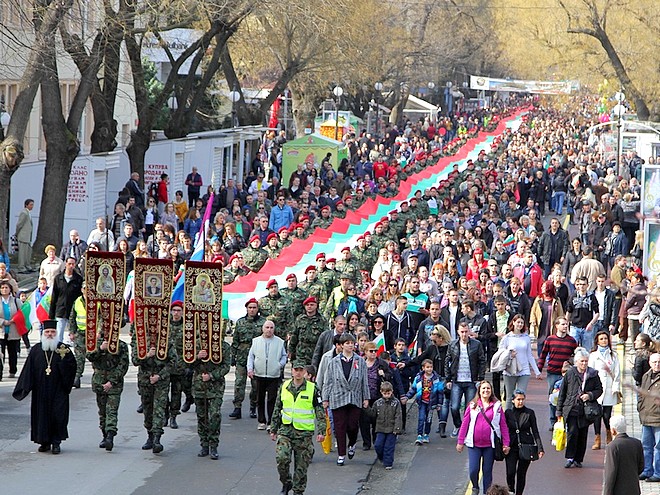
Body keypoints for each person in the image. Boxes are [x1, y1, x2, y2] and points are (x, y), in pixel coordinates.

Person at [12, 319, 77, 454]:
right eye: (47, 332)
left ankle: (56, 442)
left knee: (57, 416)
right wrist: (24, 388)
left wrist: (62, 368)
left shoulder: (63, 349)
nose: (49, 334)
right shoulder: (36, 350)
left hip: (58, 390)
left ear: (56, 333)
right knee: (41, 416)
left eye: (52, 332)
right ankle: (44, 442)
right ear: (43, 333)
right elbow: (28, 370)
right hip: (40, 390)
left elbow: (72, 368)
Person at [270, 360, 326, 495]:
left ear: (305, 372)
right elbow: (278, 407)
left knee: (301, 467)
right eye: (296, 370)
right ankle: (286, 482)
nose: (298, 373)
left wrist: (322, 430)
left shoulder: (312, 388)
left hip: (304, 433)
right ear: (292, 371)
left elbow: (319, 410)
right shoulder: (284, 386)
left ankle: (298, 491)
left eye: (301, 370)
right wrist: (273, 428)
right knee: (282, 458)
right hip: (286, 430)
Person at [133, 304, 177, 454]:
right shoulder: (141, 341)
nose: (155, 327)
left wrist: (160, 375)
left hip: (161, 381)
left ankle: (158, 438)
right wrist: (146, 355)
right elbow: (134, 360)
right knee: (148, 409)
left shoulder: (166, 341)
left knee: (159, 408)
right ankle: (150, 435)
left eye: (158, 324)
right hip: (145, 380)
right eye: (152, 324)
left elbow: (173, 362)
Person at [321, 333, 370, 466]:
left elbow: (364, 381)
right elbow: (328, 381)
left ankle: (352, 444)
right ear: (341, 345)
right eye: (347, 343)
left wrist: (366, 397)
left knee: (352, 425)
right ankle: (341, 454)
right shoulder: (334, 362)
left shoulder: (360, 361)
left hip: (354, 397)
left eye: (351, 343)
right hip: (337, 397)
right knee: (339, 427)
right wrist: (325, 398)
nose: (350, 345)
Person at [456, 380, 510, 495]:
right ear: (479, 391)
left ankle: (487, 492)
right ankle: (475, 486)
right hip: (474, 445)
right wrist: (460, 441)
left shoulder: (497, 406)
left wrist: (506, 443)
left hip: (489, 445)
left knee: (487, 471)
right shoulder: (472, 406)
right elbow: (465, 424)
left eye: (488, 388)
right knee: (473, 470)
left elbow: (503, 425)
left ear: (491, 391)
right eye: (483, 389)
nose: (486, 390)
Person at [556, 347, 603, 468]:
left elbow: (599, 390)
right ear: (576, 362)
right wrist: (559, 410)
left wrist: (590, 395)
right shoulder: (570, 373)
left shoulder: (593, 374)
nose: (584, 364)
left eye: (586, 361)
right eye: (581, 361)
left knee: (583, 434)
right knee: (572, 433)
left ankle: (578, 459)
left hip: (586, 410)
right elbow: (563, 392)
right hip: (571, 408)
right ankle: (570, 457)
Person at [86, 333, 129, 451]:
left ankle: (110, 435)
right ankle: (104, 435)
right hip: (99, 381)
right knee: (102, 411)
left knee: (112, 410)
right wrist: (100, 349)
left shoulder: (121, 345)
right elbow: (89, 356)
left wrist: (111, 382)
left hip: (114, 384)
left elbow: (123, 366)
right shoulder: (95, 343)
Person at [190, 338, 231, 460]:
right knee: (202, 416)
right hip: (199, 386)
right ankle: (204, 444)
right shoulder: (196, 343)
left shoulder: (223, 346)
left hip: (215, 387)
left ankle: (214, 445)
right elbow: (186, 363)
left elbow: (226, 366)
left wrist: (212, 376)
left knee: (214, 415)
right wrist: (197, 357)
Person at [445, 321, 487, 437]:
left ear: (469, 331)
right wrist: (448, 379)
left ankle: (467, 429)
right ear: (458, 332)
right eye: (462, 332)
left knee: (470, 407)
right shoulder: (453, 345)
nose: (464, 334)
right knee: (454, 407)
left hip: (470, 381)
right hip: (457, 380)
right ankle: (458, 425)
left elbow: (482, 361)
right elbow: (447, 362)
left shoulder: (476, 344)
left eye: (466, 332)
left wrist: (480, 378)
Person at [537, 317, 577, 429]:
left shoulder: (572, 341)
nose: (565, 326)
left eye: (566, 324)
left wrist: (570, 363)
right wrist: (539, 369)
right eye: (563, 324)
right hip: (552, 373)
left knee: (567, 397)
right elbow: (543, 355)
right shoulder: (550, 340)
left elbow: (576, 356)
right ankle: (552, 421)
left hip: (567, 374)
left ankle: (564, 420)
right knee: (553, 397)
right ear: (557, 326)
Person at [229, 298, 265, 420]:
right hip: (242, 356)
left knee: (256, 385)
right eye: (250, 307)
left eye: (254, 307)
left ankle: (253, 407)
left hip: (257, 357)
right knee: (239, 383)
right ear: (246, 309)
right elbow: (235, 341)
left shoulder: (263, 323)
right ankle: (237, 407)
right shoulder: (240, 322)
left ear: (257, 309)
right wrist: (232, 356)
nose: (252, 310)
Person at [247, 320, 287, 431]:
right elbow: (251, 356)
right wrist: (250, 369)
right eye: (267, 327)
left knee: (272, 399)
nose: (269, 330)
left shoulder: (279, 342)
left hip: (273, 375)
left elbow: (284, 356)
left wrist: (279, 365)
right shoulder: (256, 341)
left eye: (271, 327)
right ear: (263, 328)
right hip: (259, 374)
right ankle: (261, 421)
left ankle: (271, 422)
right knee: (259, 399)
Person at [504, 390, 544, 495]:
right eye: (518, 399)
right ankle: (511, 491)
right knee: (510, 472)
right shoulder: (508, 413)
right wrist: (504, 444)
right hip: (512, 446)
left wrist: (540, 448)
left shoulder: (529, 413)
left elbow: (535, 430)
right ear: (513, 400)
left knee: (521, 473)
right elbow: (503, 430)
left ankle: (519, 493)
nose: (520, 402)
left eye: (522, 399)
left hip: (526, 446)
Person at [499, 314, 541, 410]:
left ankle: (519, 418)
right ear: (513, 323)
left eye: (522, 323)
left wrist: (537, 371)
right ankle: (508, 418)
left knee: (521, 395)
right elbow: (500, 352)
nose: (520, 324)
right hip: (510, 370)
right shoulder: (507, 338)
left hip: (524, 370)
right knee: (510, 397)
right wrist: (509, 355)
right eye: (518, 322)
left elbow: (529, 355)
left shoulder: (526, 338)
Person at [588, 330, 620, 450]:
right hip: (597, 389)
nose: (604, 341)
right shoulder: (593, 356)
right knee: (596, 415)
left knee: (606, 416)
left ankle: (608, 434)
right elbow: (590, 372)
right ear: (597, 341)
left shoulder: (613, 355)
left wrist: (616, 387)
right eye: (601, 339)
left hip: (609, 389)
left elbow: (617, 372)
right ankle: (597, 439)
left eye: (605, 339)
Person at [403, 358, 443, 445]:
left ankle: (426, 434)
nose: (429, 369)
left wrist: (439, 404)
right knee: (421, 418)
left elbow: (440, 392)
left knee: (428, 419)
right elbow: (413, 389)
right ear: (423, 368)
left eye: (431, 367)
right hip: (422, 402)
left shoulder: (436, 378)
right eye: (427, 367)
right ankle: (419, 435)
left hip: (432, 403)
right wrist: (407, 397)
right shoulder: (418, 378)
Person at [603, 414, 644, 495]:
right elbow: (641, 467)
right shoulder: (637, 443)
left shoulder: (612, 447)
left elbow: (610, 473)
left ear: (613, 430)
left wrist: (606, 492)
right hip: (634, 489)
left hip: (618, 490)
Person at [367, 381, 402, 470]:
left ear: (392, 392)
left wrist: (397, 429)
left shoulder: (396, 403)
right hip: (380, 428)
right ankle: (382, 457)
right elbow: (373, 414)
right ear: (381, 392)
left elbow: (398, 416)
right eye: (384, 393)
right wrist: (366, 408)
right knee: (378, 445)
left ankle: (388, 463)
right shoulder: (378, 403)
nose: (386, 395)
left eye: (388, 393)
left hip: (391, 429)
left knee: (389, 447)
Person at [48, 257, 84, 343]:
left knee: (72, 335)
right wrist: (51, 314)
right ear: (65, 264)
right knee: (59, 334)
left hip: (73, 310)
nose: (71, 266)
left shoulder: (78, 279)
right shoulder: (58, 278)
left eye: (73, 264)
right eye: (69, 264)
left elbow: (80, 296)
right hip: (60, 309)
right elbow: (54, 296)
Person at [638, 352, 660, 482]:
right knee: (646, 446)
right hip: (645, 417)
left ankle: (657, 472)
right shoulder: (646, 376)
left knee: (658, 447)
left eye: (659, 362)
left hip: (658, 419)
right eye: (654, 362)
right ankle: (647, 470)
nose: (657, 365)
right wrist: (640, 407)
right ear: (650, 363)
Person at [565, 276, 599, 352]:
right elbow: (568, 311)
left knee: (586, 350)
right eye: (580, 284)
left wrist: (591, 324)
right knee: (572, 350)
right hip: (575, 326)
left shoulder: (591, 297)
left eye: (583, 284)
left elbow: (597, 313)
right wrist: (566, 325)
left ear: (587, 285)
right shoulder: (573, 296)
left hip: (587, 327)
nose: (581, 286)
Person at [68, 286, 89, 389]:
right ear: (82, 290)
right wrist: (71, 332)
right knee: (79, 357)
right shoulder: (77, 301)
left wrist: (99, 331)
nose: (86, 290)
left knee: (96, 357)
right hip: (80, 333)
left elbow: (101, 317)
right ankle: (76, 378)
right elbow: (72, 317)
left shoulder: (96, 301)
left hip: (93, 334)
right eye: (85, 288)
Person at [0, 280, 22, 379]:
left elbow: (22, 313)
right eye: (2, 288)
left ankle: (12, 370)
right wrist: (3, 322)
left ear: (10, 289)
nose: (4, 290)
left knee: (12, 352)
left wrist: (14, 320)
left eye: (6, 288)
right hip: (1, 330)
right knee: (0, 353)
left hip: (13, 330)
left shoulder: (16, 301)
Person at [15, 198, 34, 273]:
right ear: (26, 205)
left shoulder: (28, 213)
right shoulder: (24, 213)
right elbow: (19, 224)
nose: (32, 206)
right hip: (23, 236)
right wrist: (17, 233)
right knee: (22, 253)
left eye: (32, 205)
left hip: (27, 237)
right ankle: (21, 267)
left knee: (27, 252)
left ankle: (27, 266)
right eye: (31, 204)